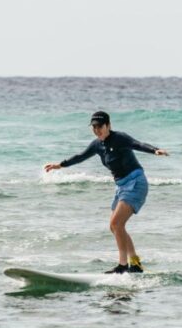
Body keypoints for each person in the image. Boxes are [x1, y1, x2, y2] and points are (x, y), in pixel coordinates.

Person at [44, 111, 169, 274]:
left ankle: (123, 266)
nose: (97, 130)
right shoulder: (97, 144)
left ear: (108, 126)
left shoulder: (120, 138)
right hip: (121, 186)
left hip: (135, 182)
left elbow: (138, 144)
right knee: (116, 227)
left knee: (116, 224)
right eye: (94, 127)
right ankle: (135, 263)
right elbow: (81, 156)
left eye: (100, 126)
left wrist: (155, 150)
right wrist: (60, 165)